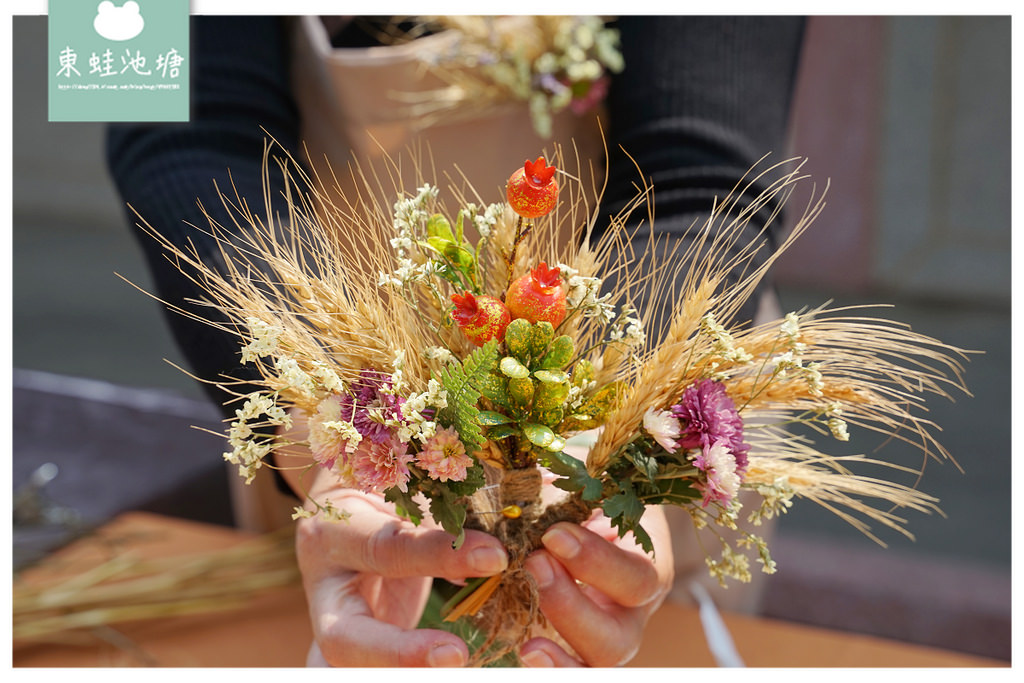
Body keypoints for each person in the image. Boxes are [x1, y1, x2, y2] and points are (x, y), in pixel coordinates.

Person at [106, 15, 805, 667]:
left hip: (636, 380)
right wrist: (339, 430)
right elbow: (156, 118)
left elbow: (707, 177)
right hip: (328, 418)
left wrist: (600, 447)